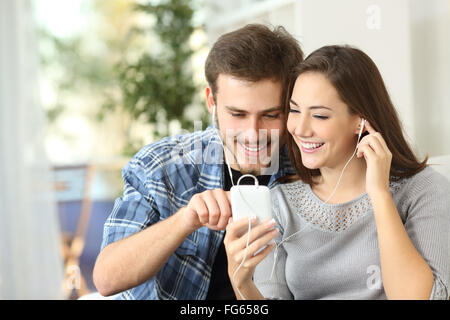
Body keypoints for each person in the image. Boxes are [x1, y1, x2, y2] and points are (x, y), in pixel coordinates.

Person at [93, 24, 304, 300]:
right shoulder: (162, 166)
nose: (253, 134)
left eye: (271, 115)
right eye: (237, 114)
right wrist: (186, 220)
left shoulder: (309, 167)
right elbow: (106, 279)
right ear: (211, 103)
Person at [224, 45, 450, 300]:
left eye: (320, 116)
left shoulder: (423, 190)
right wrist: (242, 282)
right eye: (295, 110)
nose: (300, 129)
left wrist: (379, 194)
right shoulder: (280, 203)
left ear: (361, 121)